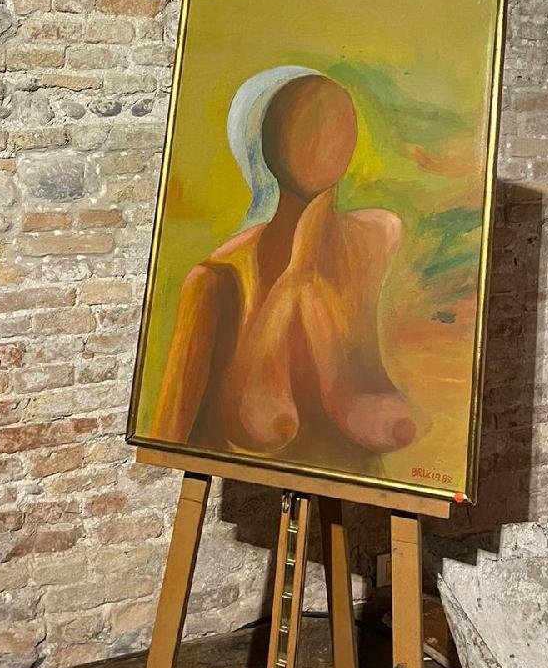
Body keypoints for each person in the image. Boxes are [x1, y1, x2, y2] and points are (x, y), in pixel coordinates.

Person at [152, 68, 417, 477]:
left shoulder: (377, 242)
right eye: (305, 120)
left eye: (336, 118)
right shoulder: (217, 281)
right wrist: (295, 278)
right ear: (261, 141)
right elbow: (167, 442)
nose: (326, 135)